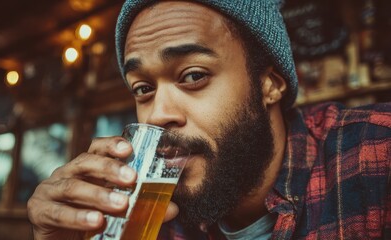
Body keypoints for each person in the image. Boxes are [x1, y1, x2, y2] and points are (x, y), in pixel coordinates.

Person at [27, 0, 391, 239]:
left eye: (193, 75)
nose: (157, 115)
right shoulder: (152, 215)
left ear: (270, 84)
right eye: (142, 88)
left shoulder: (375, 154)